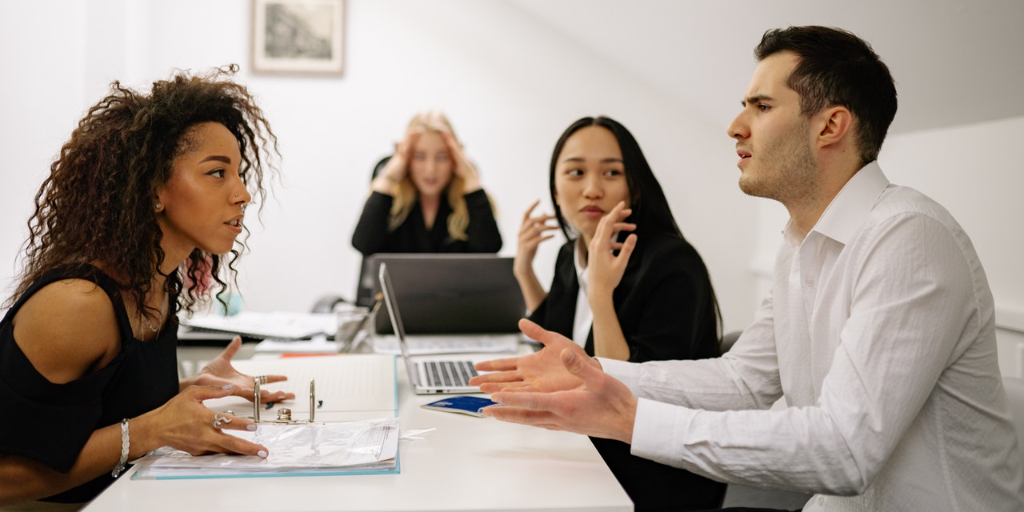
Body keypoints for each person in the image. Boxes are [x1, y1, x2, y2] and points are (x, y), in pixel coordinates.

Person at [471, 26, 1024, 512]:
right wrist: (590, 371)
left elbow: (844, 450)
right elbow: (743, 381)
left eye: (760, 107)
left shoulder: (909, 236)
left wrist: (630, 419)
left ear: (830, 125)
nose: (735, 126)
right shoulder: (799, 246)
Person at [0, 65, 295, 507]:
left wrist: (189, 389)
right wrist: (152, 430)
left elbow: (92, 414)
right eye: (217, 173)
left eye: (239, 173)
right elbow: (6, 478)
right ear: (155, 187)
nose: (243, 194)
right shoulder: (77, 305)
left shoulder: (156, 282)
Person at [513, 116, 724, 511]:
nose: (592, 189)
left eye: (611, 172)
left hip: (647, 472)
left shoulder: (673, 263)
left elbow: (626, 394)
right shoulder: (570, 252)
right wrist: (523, 270)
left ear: (634, 186)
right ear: (556, 190)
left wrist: (600, 295)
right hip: (586, 449)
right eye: (575, 172)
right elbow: (555, 347)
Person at [351, 110, 502, 256]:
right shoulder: (391, 197)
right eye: (419, 156)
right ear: (407, 158)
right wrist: (388, 177)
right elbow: (364, 244)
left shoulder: (467, 199)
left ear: (455, 159)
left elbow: (489, 249)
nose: (431, 170)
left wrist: (470, 178)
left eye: (442, 157)